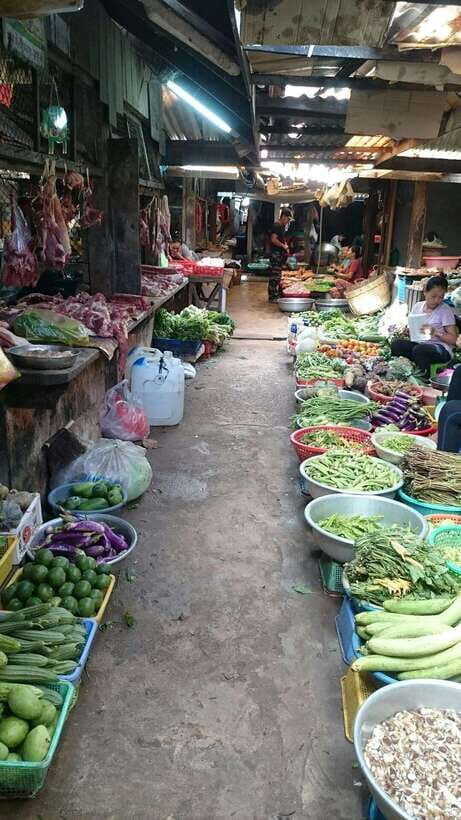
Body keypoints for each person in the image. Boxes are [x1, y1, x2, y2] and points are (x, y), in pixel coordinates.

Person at [390, 275, 458, 377]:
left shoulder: (445, 311)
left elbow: (454, 340)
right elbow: (414, 329)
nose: (437, 300)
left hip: (441, 349)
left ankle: (425, 377)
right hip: (420, 344)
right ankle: (403, 373)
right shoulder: (417, 306)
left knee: (420, 350)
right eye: (433, 296)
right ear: (425, 292)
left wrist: (435, 332)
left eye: (441, 297)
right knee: (397, 344)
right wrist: (409, 331)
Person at [268, 208, 292, 302]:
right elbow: (273, 239)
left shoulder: (281, 226)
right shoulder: (277, 226)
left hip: (279, 255)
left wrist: (285, 246)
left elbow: (281, 238)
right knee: (274, 276)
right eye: (288, 219)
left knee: (277, 276)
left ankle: (275, 294)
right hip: (276, 255)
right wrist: (283, 246)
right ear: (283, 216)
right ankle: (272, 297)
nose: (288, 221)